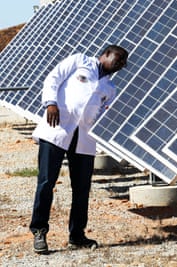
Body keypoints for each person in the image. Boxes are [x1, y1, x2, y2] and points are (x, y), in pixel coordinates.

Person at [29, 45, 128, 254]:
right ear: (105, 55)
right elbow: (52, 79)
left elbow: (105, 115)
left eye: (123, 62)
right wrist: (50, 103)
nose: (121, 64)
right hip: (57, 129)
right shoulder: (79, 61)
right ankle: (39, 231)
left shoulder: (110, 89)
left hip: (84, 139)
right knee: (46, 182)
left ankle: (77, 235)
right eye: (118, 59)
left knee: (82, 189)